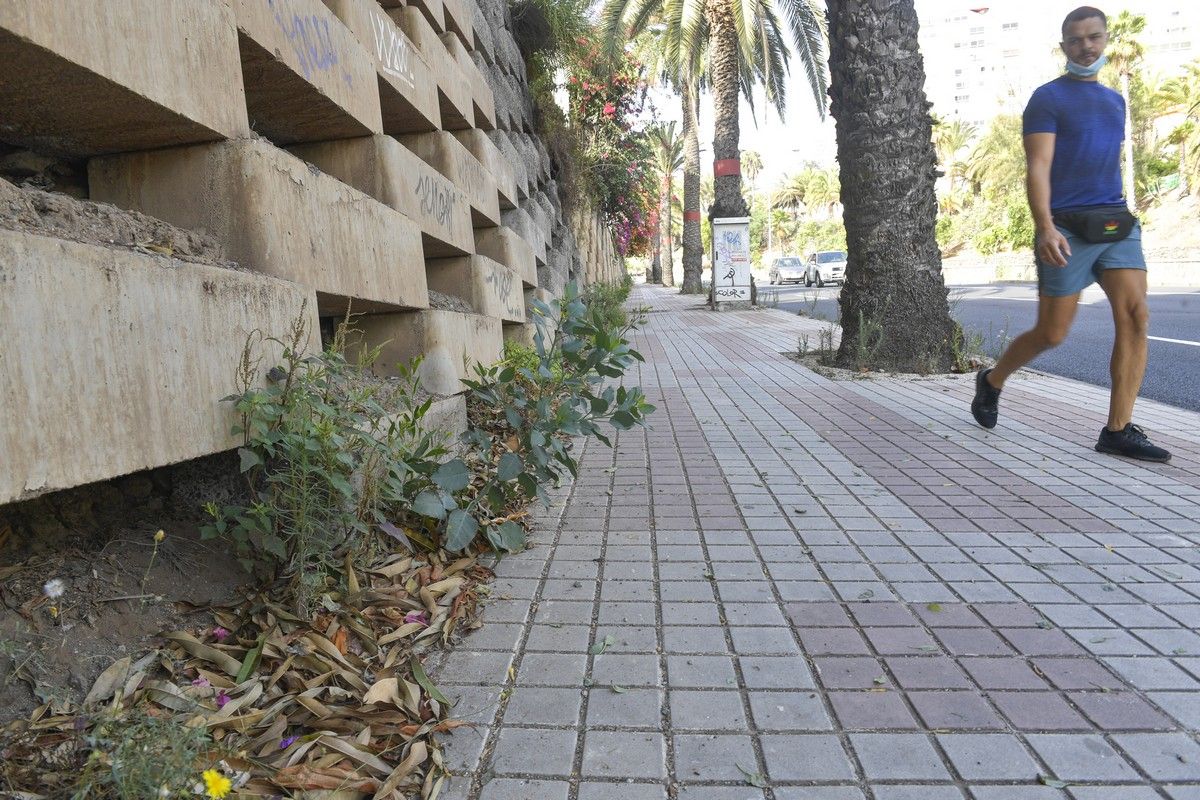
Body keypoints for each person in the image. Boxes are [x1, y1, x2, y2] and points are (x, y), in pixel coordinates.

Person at [970, 5, 1170, 463]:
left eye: (1094, 37)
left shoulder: (1115, 101)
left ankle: (1117, 430)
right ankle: (992, 379)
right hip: (1064, 228)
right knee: (1052, 333)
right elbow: (1037, 166)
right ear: (1064, 47)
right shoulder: (1048, 99)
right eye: (1076, 40)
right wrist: (1044, 226)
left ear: (1105, 39)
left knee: (1137, 316)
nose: (1087, 46)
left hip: (1115, 223)